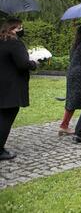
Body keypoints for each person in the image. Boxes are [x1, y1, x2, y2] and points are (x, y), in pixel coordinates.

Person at [0, 18, 37, 160]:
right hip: (11, 86)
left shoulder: (2, 40)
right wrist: (33, 63)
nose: (22, 30)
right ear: (13, 29)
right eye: (20, 27)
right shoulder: (14, 42)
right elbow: (22, 64)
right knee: (6, 118)